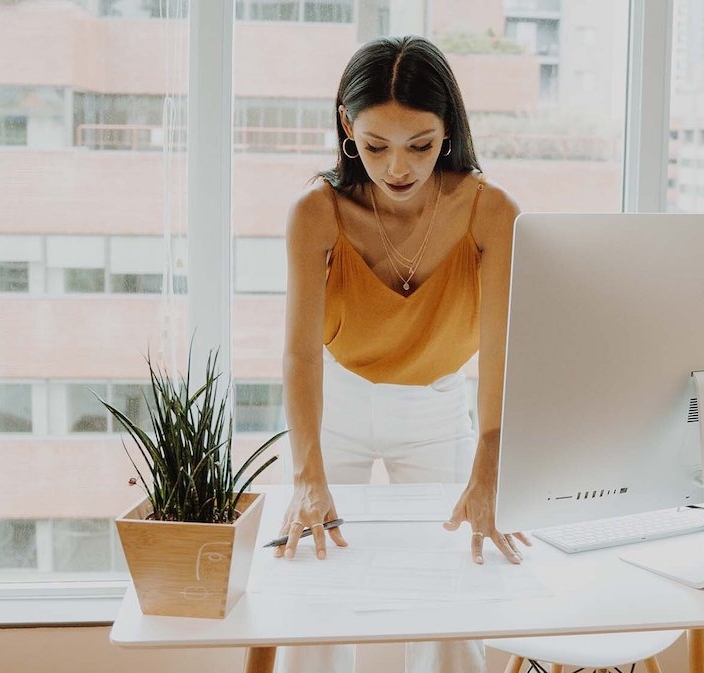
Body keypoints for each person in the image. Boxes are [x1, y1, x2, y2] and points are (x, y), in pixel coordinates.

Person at [275, 35, 528, 673]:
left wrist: (491, 460)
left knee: (452, 592)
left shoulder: (492, 212)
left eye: (420, 145)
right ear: (346, 127)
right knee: (312, 590)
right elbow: (300, 357)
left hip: (439, 407)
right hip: (336, 405)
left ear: (449, 131)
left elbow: (502, 350)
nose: (397, 169)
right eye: (375, 145)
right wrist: (307, 474)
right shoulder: (316, 212)